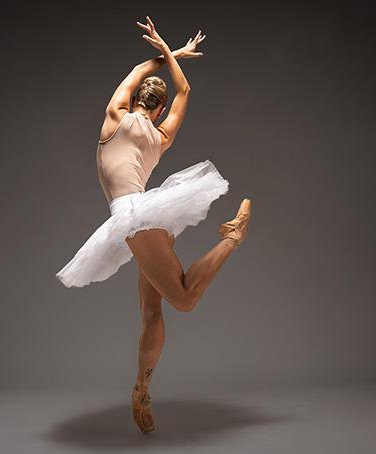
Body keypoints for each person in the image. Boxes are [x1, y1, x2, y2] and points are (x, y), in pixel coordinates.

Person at [55, 16, 251, 434]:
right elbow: (185, 90)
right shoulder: (162, 137)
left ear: (135, 100)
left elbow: (135, 71)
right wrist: (173, 54)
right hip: (151, 212)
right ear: (159, 109)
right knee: (151, 310)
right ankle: (141, 391)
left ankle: (231, 238)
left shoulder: (114, 117)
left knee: (183, 299)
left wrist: (165, 51)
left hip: (133, 216)